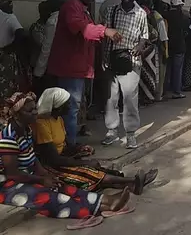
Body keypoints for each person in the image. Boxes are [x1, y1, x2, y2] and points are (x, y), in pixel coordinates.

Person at [0, 92, 131, 226]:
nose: (35, 112)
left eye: (35, 108)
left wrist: (45, 174)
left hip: (26, 175)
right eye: (30, 110)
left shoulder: (26, 130)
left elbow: (33, 158)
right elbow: (12, 173)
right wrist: (41, 179)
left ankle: (106, 200)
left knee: (62, 186)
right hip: (6, 185)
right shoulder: (8, 137)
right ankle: (100, 208)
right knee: (47, 197)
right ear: (16, 114)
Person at [34, 88, 158, 193]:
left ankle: (131, 184)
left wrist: (79, 148)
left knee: (95, 166)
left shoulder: (58, 119)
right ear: (57, 107)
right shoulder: (42, 124)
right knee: (88, 171)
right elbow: (53, 159)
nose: (69, 106)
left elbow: (64, 147)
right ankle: (132, 181)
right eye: (66, 104)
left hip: (60, 159)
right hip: (50, 167)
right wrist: (83, 163)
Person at [49, 0, 122, 147]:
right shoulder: (71, 6)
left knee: (74, 107)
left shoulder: (83, 9)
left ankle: (69, 141)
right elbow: (80, 28)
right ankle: (69, 146)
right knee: (70, 107)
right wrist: (104, 31)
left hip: (80, 67)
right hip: (70, 67)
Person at [101, 0, 149, 149]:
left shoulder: (141, 14)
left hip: (132, 62)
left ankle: (130, 134)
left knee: (129, 99)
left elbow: (144, 35)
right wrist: (104, 60)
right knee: (111, 99)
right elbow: (104, 34)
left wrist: (140, 46)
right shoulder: (111, 11)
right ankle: (112, 131)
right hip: (112, 61)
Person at [33, 0, 69, 96]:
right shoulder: (74, 16)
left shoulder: (54, 20)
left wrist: (38, 73)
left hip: (57, 68)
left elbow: (47, 49)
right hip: (74, 68)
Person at [0, 0, 29, 100]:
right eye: (9, 3)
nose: (11, 7)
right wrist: (11, 48)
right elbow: (21, 34)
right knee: (6, 90)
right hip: (5, 57)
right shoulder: (9, 17)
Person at [137, 0, 162, 106]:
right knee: (148, 74)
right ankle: (147, 97)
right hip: (146, 48)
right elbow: (151, 31)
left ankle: (146, 97)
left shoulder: (143, 10)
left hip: (145, 48)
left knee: (145, 74)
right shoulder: (146, 12)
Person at [165, 0, 189, 100]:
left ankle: (165, 90)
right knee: (177, 70)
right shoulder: (183, 16)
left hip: (168, 46)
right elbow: (187, 29)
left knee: (167, 69)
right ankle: (176, 91)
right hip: (179, 46)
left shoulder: (165, 15)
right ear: (179, 6)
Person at [28, 1, 51, 73]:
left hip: (46, 64)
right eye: (47, 11)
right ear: (41, 12)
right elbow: (45, 45)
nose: (50, 14)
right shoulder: (36, 28)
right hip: (38, 65)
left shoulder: (49, 25)